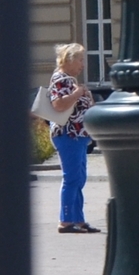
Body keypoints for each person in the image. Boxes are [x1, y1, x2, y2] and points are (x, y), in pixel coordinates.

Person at [45, 42, 98, 234]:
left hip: (78, 136)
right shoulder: (60, 79)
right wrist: (77, 93)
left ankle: (78, 219)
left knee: (79, 178)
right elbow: (58, 105)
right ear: (69, 59)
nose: (82, 64)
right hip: (68, 134)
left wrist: (86, 97)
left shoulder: (70, 80)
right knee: (72, 178)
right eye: (80, 59)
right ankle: (66, 220)